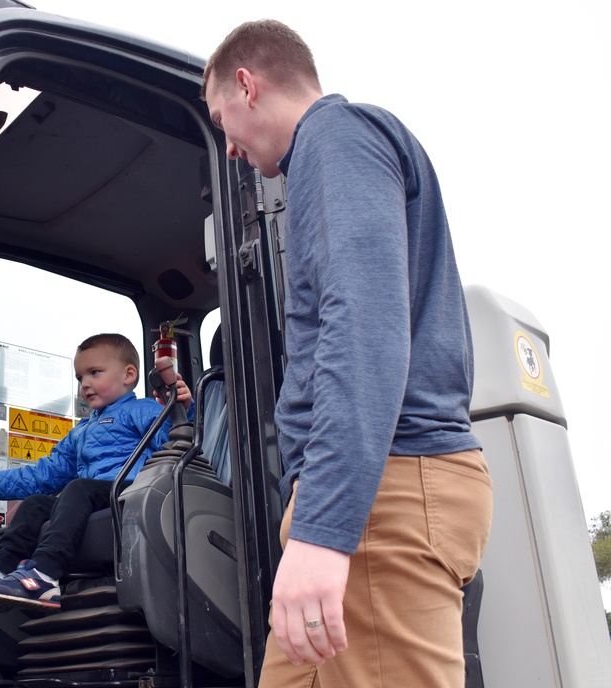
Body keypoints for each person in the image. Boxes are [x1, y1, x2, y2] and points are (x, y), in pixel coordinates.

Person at [202, 20, 493, 688]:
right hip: (364, 492)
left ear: (248, 85)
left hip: (384, 491)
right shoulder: (323, 158)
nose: (230, 149)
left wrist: (323, 532)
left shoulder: (335, 136)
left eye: (223, 121)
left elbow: (361, 327)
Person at [0, 333, 191, 610]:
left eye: (94, 373)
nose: (85, 384)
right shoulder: (81, 431)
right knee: (36, 504)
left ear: (129, 375)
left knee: (78, 487)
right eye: (80, 378)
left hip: (127, 492)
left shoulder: (143, 410)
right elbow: (48, 472)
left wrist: (181, 410)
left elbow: (175, 445)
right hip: (90, 499)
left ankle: (45, 575)